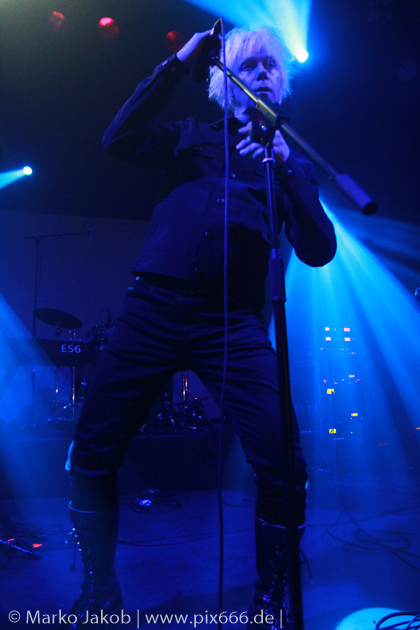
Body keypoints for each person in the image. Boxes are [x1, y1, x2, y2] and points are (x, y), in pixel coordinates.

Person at [66, 26, 337, 629]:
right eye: (250, 64)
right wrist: (177, 62)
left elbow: (319, 250)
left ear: (283, 82)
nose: (263, 72)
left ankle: (267, 601)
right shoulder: (191, 136)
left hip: (233, 324)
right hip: (153, 309)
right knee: (90, 454)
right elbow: (118, 138)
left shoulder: (287, 162)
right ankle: (100, 593)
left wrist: (289, 172)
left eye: (271, 65)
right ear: (225, 80)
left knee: (284, 467)